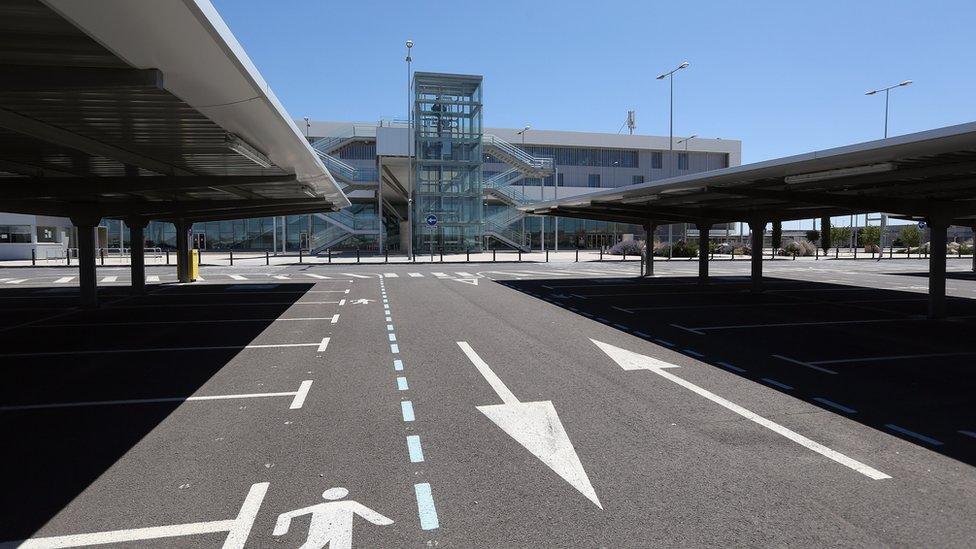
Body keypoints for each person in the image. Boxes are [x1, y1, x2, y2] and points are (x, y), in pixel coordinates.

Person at [273, 487, 393, 549]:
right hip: (340, 533)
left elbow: (290, 514)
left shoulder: (320, 506)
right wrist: (383, 521)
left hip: (319, 534)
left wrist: (281, 529)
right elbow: (368, 514)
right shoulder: (348, 503)